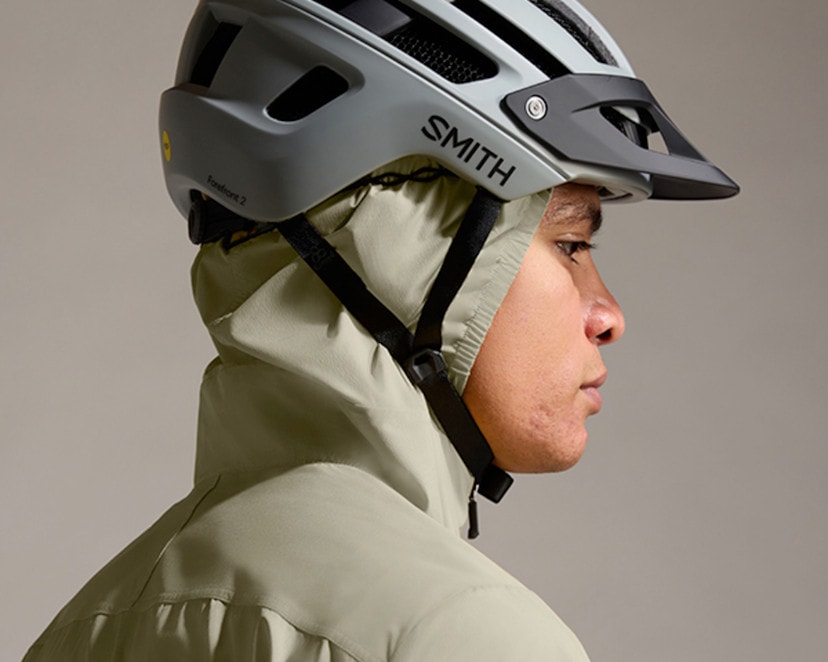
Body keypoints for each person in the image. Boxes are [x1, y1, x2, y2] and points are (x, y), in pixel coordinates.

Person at [23, 0, 738, 660]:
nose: (608, 315)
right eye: (571, 245)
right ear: (401, 251)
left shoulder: (83, 630)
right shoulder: (465, 632)